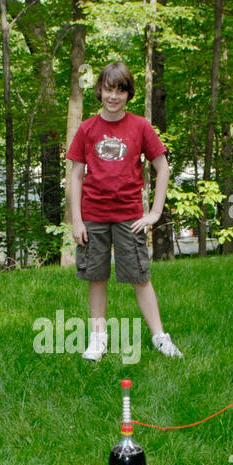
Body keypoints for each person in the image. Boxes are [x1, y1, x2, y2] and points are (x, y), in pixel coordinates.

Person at [67, 61, 183, 361]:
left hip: (130, 216)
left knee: (140, 276)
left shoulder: (140, 126)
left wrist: (154, 213)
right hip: (92, 216)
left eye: (120, 90)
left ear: (128, 94)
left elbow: (162, 168)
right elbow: (76, 177)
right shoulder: (87, 129)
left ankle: (160, 337)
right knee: (97, 276)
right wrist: (76, 221)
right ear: (100, 91)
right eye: (108, 89)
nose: (113, 96)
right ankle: (98, 339)